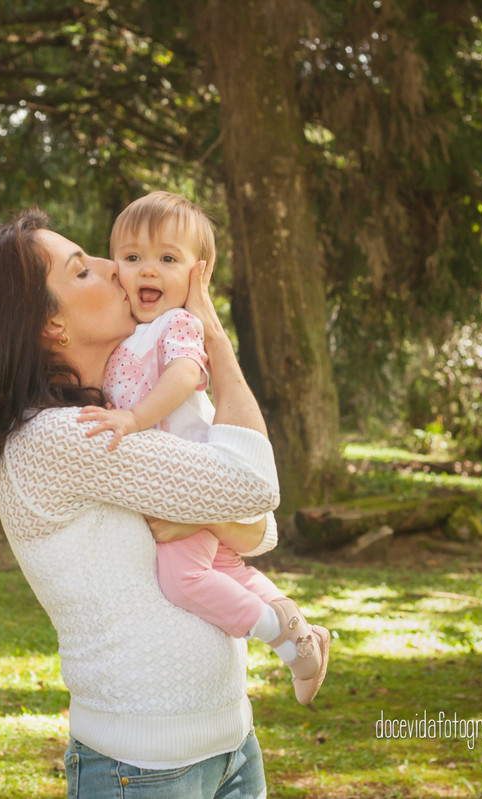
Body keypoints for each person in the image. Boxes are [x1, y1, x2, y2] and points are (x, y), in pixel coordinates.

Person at [0, 207, 290, 797]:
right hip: (144, 770)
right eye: (81, 271)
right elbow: (256, 489)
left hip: (228, 744)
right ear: (50, 326)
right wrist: (215, 343)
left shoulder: (123, 414)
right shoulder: (62, 437)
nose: (113, 268)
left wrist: (219, 513)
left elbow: (260, 529)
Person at [78, 192, 330, 706]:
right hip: (173, 484)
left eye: (167, 259)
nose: (147, 270)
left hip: (194, 477)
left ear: (199, 273)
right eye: (131, 258)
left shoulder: (178, 326)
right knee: (226, 570)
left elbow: (186, 375)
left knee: (182, 579)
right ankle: (304, 630)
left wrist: (134, 417)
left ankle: (281, 637)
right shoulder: (129, 333)